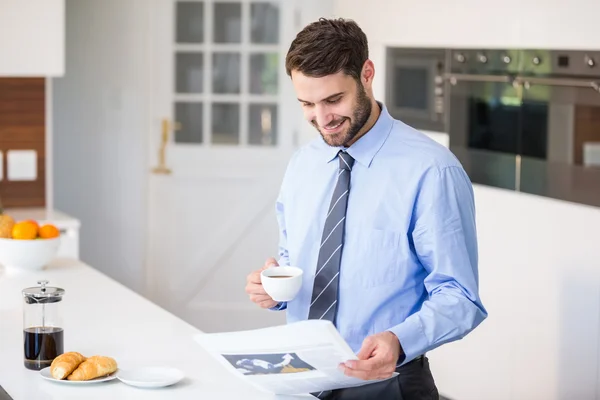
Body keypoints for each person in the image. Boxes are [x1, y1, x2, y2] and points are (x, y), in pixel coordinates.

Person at [245, 17, 487, 400]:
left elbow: (460, 296)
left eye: (333, 100)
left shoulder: (431, 170)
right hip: (301, 378)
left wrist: (399, 340)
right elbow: (297, 262)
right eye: (307, 103)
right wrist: (274, 289)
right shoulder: (302, 165)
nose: (322, 119)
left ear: (367, 74)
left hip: (387, 385)